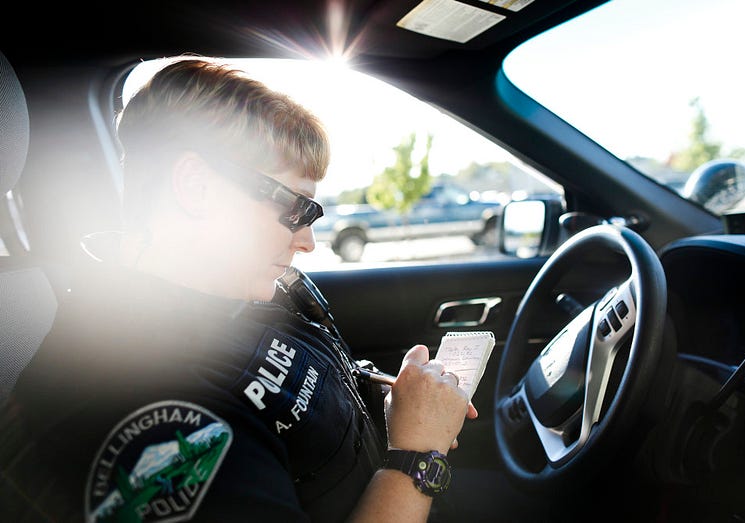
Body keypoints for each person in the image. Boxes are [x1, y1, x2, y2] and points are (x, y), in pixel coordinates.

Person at [0, 58, 477, 522]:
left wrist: (395, 410)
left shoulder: (239, 290)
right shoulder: (145, 405)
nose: (308, 240)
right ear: (198, 186)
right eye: (295, 208)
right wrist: (418, 453)